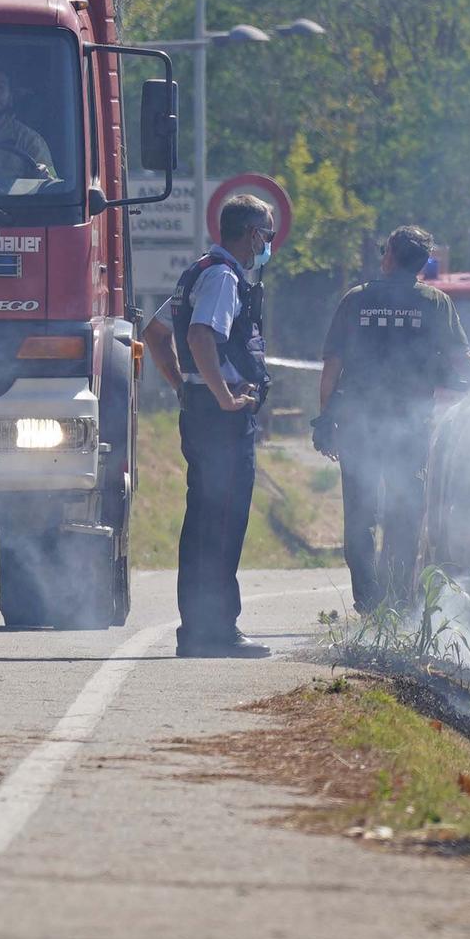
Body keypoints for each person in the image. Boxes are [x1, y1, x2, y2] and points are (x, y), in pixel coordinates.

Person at [317, 225, 470, 613]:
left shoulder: (356, 300)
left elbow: (331, 366)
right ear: (423, 263)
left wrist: (325, 419)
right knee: (404, 516)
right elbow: (462, 360)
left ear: (389, 256)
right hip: (409, 430)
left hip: (358, 426)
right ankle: (397, 604)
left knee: (359, 518)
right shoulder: (436, 303)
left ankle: (368, 604)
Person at [160, 193, 275, 659]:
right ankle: (217, 631)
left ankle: (197, 630)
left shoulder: (198, 269)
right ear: (250, 233)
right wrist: (224, 396)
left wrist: (183, 386)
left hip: (202, 410)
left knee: (203, 522)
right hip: (222, 418)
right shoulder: (224, 277)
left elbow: (154, 332)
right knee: (223, 523)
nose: (268, 242)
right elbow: (199, 334)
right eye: (266, 233)